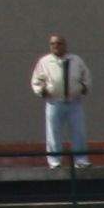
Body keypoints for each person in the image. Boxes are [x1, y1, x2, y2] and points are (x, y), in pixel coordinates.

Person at [32, 33, 92, 168]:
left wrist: (83, 87)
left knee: (78, 131)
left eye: (59, 43)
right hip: (54, 102)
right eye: (52, 44)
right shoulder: (44, 62)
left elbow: (86, 76)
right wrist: (42, 90)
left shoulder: (76, 60)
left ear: (65, 45)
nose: (56, 46)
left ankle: (81, 160)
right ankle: (55, 162)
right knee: (53, 132)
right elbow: (36, 80)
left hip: (74, 102)